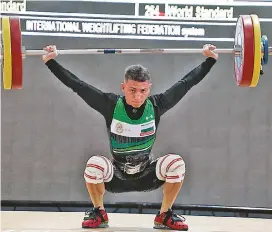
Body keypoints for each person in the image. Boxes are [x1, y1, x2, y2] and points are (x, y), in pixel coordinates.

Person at [42, 44, 218, 231]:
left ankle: (164, 215)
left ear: (149, 88)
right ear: (123, 87)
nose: (138, 96)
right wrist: (50, 62)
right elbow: (77, 85)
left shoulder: (157, 105)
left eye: (143, 91)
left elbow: (187, 83)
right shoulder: (110, 104)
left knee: (176, 163)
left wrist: (210, 60)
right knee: (94, 165)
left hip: (146, 174)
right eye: (132, 90)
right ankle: (99, 212)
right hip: (117, 175)